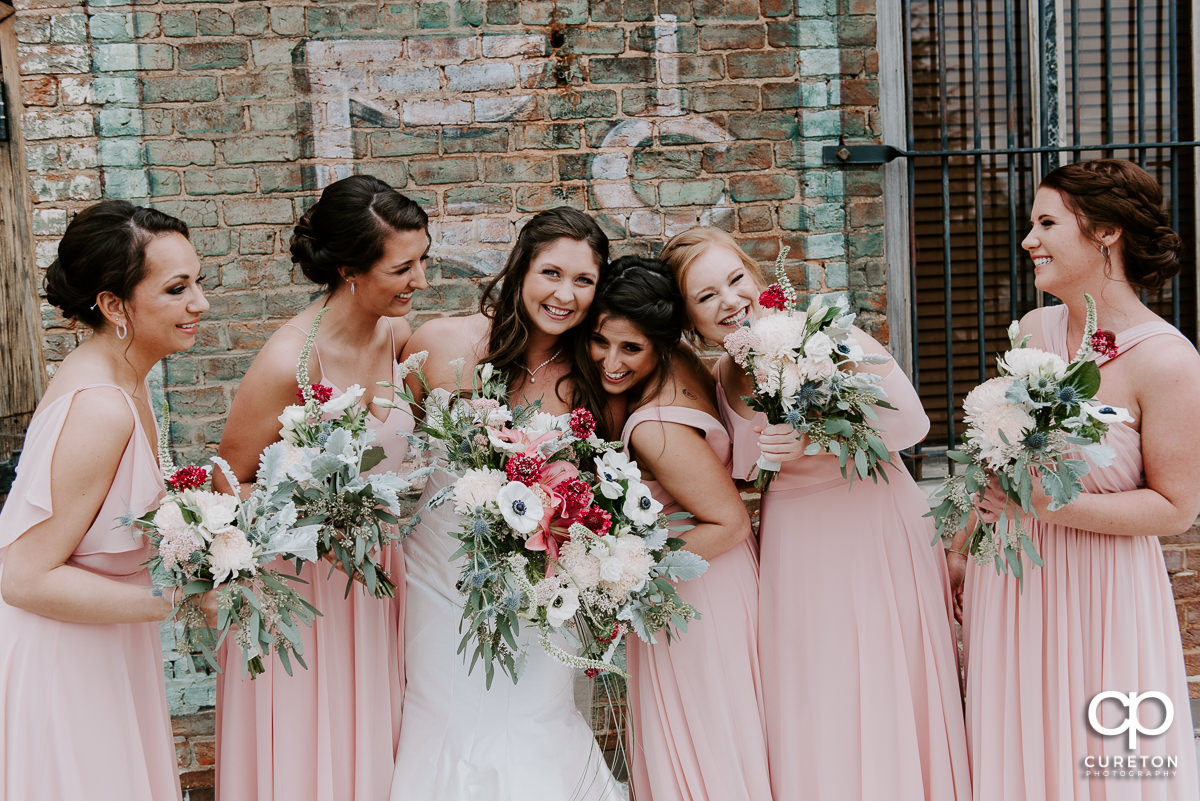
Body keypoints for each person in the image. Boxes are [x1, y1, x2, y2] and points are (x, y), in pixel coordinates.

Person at [661, 227, 971, 801]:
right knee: (812, 684)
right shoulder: (720, 379)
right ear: (689, 320)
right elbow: (744, 472)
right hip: (795, 539)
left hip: (872, 517)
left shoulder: (827, 337)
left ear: (757, 280)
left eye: (735, 281)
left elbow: (911, 425)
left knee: (887, 674)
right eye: (706, 298)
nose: (729, 301)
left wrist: (817, 438)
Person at [956, 158, 1200, 800]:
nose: (1028, 239)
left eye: (1045, 222)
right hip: (1011, 586)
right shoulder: (1035, 331)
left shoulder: (1169, 360)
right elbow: (999, 462)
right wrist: (958, 554)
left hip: (1103, 598)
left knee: (1108, 766)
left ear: (1105, 233)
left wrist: (1047, 508)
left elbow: (1176, 509)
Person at [390, 207, 622, 801]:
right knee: (446, 713)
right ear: (521, 269)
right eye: (551, 272)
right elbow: (399, 444)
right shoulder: (444, 343)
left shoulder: (593, 378)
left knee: (534, 717)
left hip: (539, 583)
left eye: (583, 281)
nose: (564, 295)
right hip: (442, 571)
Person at [213, 175, 429, 801]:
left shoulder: (398, 337)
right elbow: (229, 484)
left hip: (380, 576)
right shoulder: (289, 363)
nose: (419, 282)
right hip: (305, 583)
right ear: (348, 270)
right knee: (314, 750)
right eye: (403, 268)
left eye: (423, 260)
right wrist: (320, 514)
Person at [0, 200, 210, 800]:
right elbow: (24, 578)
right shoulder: (99, 406)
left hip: (106, 644)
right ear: (115, 305)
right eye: (176, 288)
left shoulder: (127, 377)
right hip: (62, 661)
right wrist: (184, 602)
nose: (199, 303)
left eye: (197, 281)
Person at [580, 255, 771, 800]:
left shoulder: (655, 428)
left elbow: (729, 521)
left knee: (705, 744)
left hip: (695, 595)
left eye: (630, 348)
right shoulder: (683, 360)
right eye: (600, 341)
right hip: (717, 583)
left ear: (659, 343)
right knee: (726, 739)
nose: (611, 362)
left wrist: (622, 571)